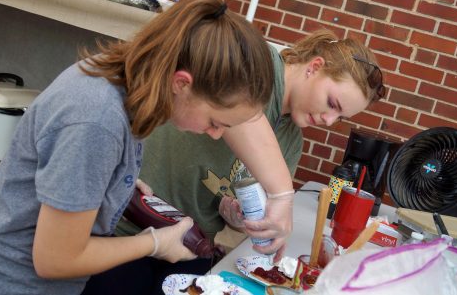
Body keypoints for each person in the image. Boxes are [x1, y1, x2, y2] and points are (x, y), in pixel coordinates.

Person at [0, 0, 283, 294]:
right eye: (215, 121)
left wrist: (109, 182)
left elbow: (66, 174)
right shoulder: (97, 120)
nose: (213, 134)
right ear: (182, 83)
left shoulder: (126, 89)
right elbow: (55, 259)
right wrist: (153, 244)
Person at [112, 27, 387, 286]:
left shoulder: (291, 140)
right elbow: (243, 116)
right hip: (130, 227)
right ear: (314, 67)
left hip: (190, 245)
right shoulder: (258, 65)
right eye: (332, 104)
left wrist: (240, 217)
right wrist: (283, 195)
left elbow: (259, 207)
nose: (329, 120)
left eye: (340, 117)